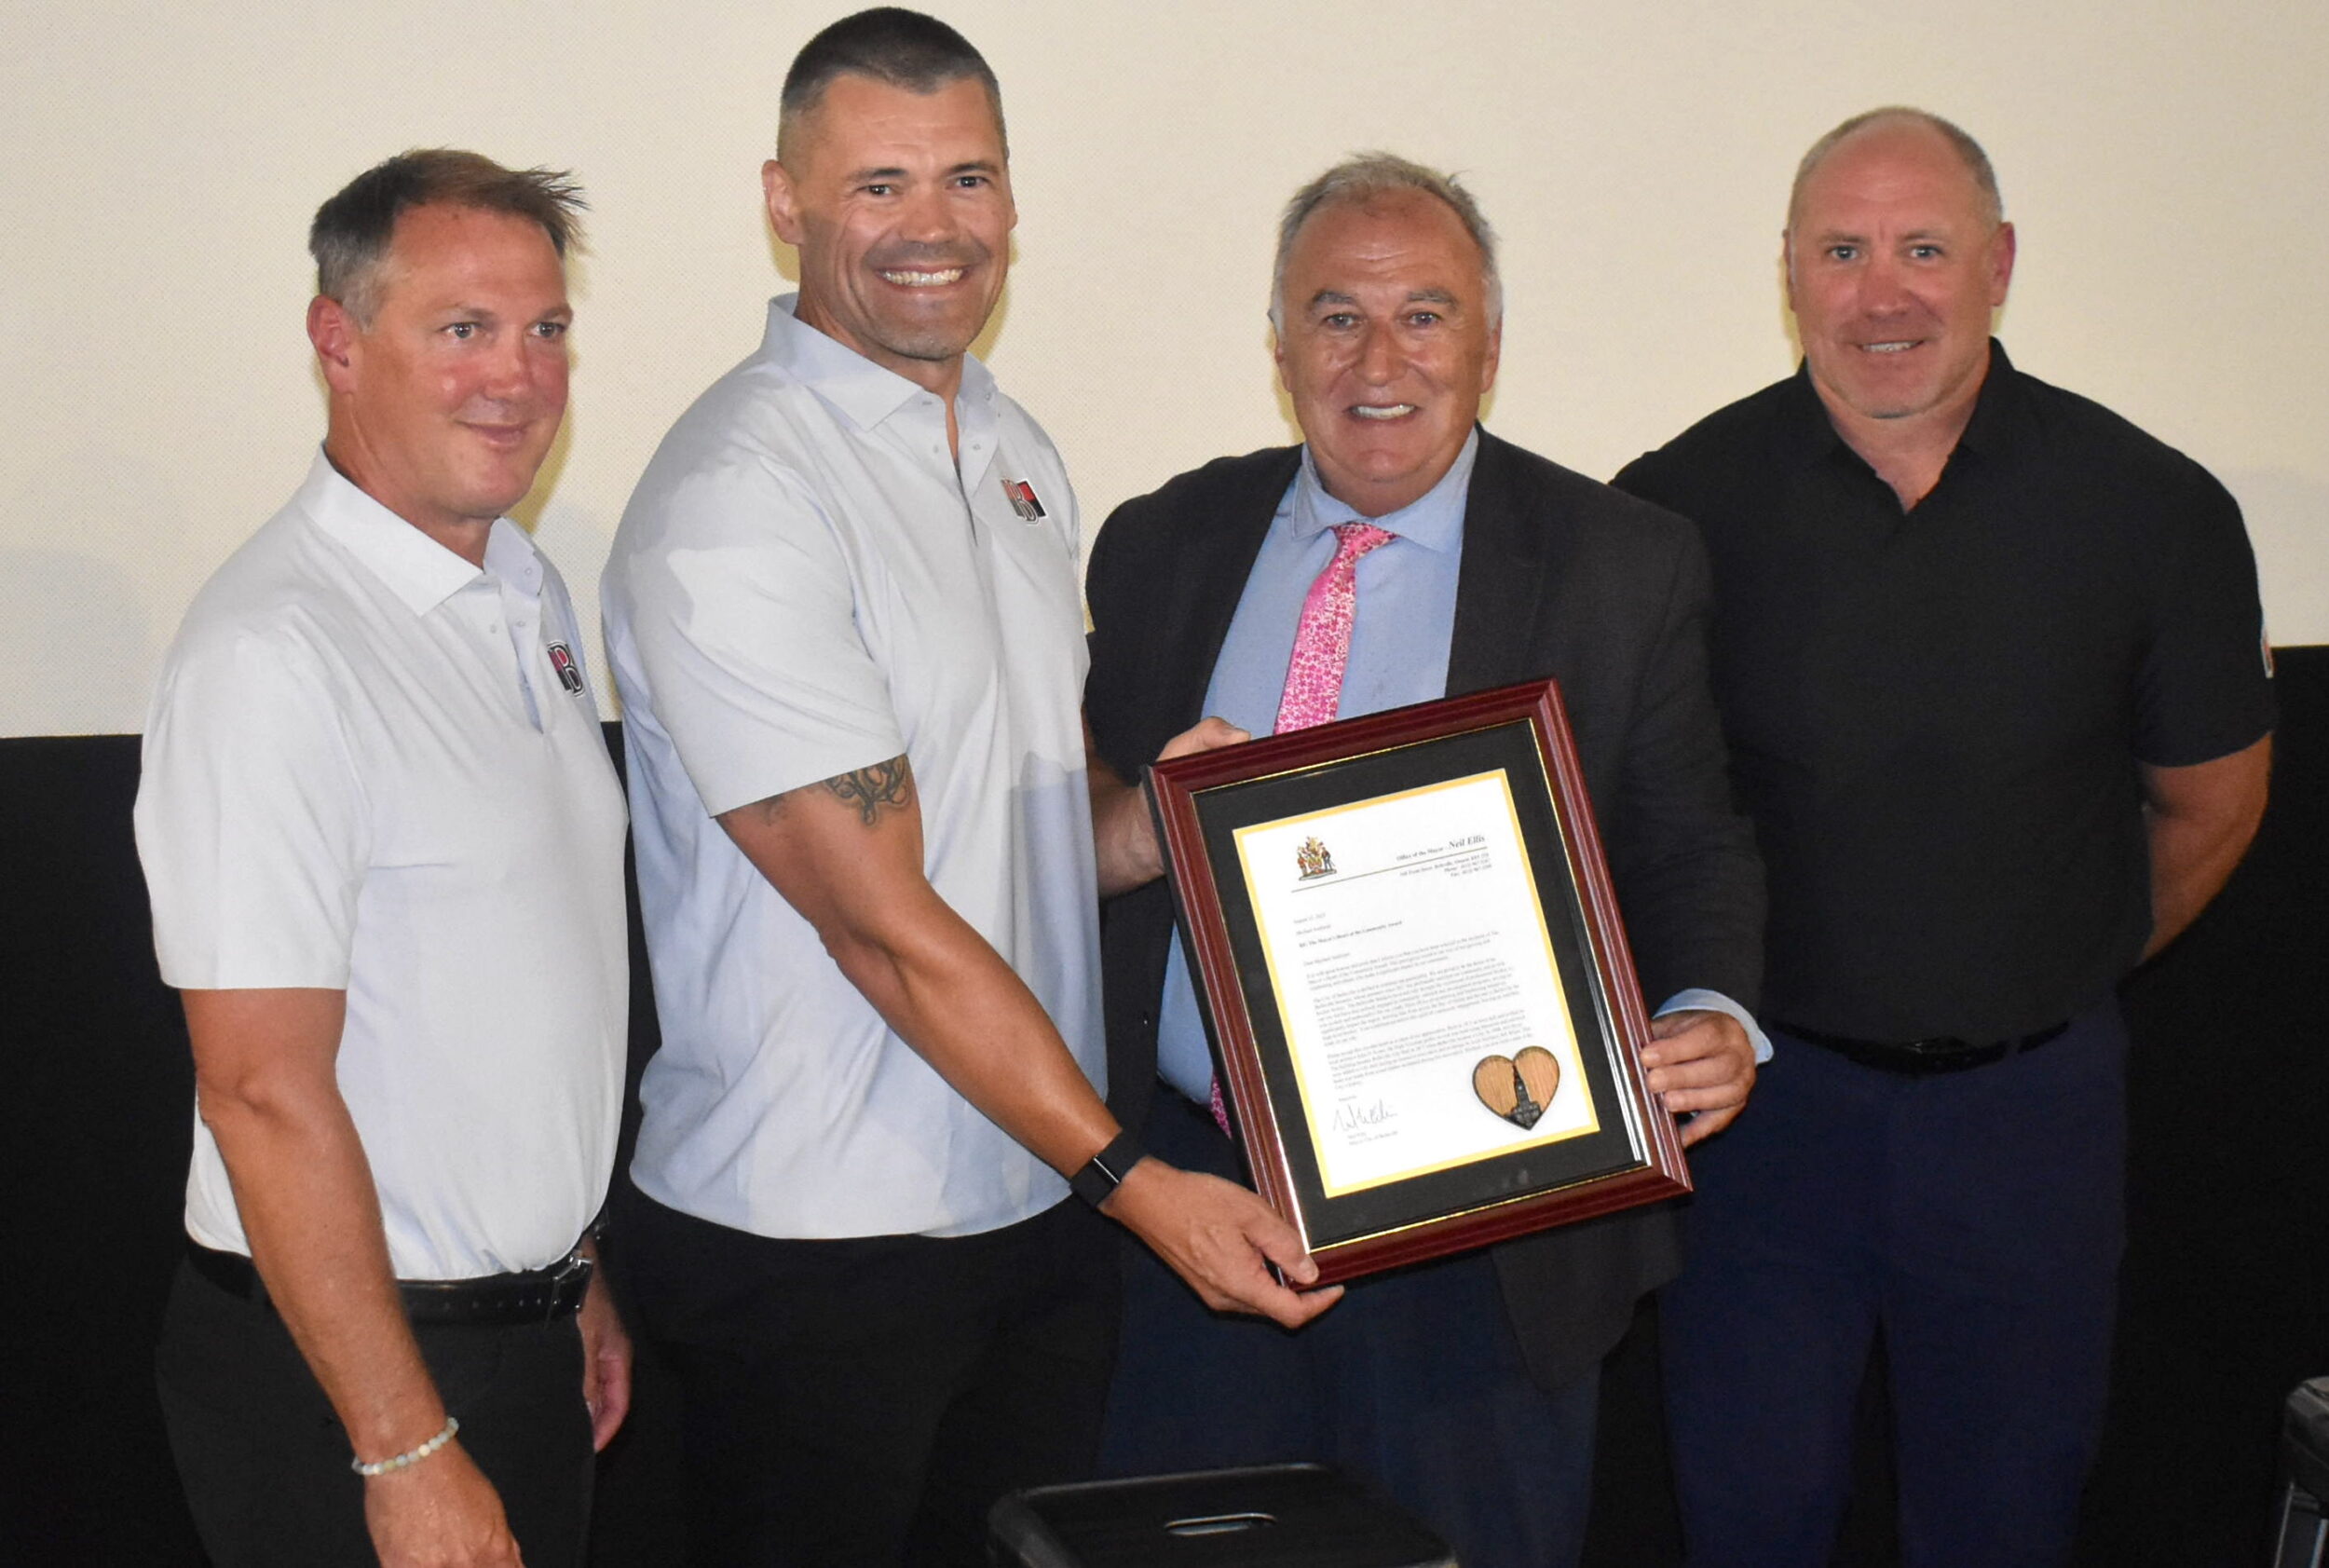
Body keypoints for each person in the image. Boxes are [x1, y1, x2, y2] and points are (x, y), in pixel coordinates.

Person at [598, 11, 1335, 1564]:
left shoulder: (1008, 445)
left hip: (1025, 1209)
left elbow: (1018, 831)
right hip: (816, 1246)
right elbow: (877, 926)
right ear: (784, 202)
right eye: (877, 186)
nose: (931, 230)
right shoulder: (742, 498)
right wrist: (1142, 1183)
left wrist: (1173, 824)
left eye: (968, 178)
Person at [1083, 153, 1767, 1568]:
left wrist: (1712, 1012)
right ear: (1278, 347)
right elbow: (1086, 831)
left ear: (1491, 345)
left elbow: (1692, 834)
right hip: (1198, 1215)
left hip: (1489, 1235)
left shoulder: (1619, 560)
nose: (1377, 362)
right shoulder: (1161, 544)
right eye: (1335, 318)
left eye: (1425, 316)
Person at [1613, 107, 2275, 1567]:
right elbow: (1625, 827)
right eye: (1843, 251)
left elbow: (2215, 802)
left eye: (1925, 248)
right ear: (1790, 273)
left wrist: (2046, 968)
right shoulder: (1671, 515)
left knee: (2007, 1520)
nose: (1884, 291)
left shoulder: (2150, 510)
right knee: (1747, 1517)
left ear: (2000, 265)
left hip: (2029, 1124)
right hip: (1761, 1130)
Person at [133, 149, 632, 1568]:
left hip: (507, 1338)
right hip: (353, 1383)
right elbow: (260, 1089)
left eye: (546, 330)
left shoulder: (517, 595)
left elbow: (507, 993)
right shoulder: (275, 656)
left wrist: (568, 1272)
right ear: (337, 344)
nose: (519, 377)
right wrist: (405, 1449)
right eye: (463, 330)